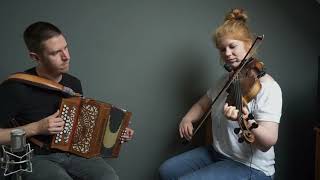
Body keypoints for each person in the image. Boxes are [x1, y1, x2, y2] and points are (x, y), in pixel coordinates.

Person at [0, 21, 134, 180]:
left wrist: (117, 133)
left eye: (66, 48)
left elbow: (83, 127)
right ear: (36, 57)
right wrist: (36, 128)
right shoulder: (15, 88)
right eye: (56, 53)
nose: (66, 56)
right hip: (35, 157)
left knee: (108, 177)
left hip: (75, 153)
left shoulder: (73, 84)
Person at [159, 8, 282, 180]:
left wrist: (246, 120)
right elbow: (203, 104)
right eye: (222, 49)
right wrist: (187, 118)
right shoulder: (226, 79)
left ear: (248, 44)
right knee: (166, 170)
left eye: (232, 46)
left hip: (251, 166)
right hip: (218, 153)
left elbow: (268, 141)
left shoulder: (268, 87)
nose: (227, 54)